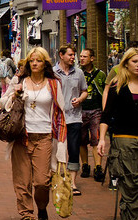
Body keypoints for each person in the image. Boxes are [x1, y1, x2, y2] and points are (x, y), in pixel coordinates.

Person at [0, 47, 68, 220]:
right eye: (32, 61)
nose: (35, 63)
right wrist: (15, 94)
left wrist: (61, 142)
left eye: (38, 60)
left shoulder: (54, 84)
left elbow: (61, 113)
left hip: (45, 136)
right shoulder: (19, 81)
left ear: (45, 63)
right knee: (22, 181)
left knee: (41, 182)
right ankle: (27, 219)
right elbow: (4, 103)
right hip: (23, 136)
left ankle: (41, 206)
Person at [97, 47, 138, 220]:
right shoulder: (118, 87)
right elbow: (106, 115)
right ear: (125, 63)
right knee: (131, 181)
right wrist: (102, 139)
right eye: (135, 61)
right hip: (124, 140)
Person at [54, 45, 88, 196]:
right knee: (58, 150)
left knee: (73, 149)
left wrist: (80, 99)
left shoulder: (78, 73)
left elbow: (85, 91)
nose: (73, 58)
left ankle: (72, 183)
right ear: (61, 55)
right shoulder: (53, 73)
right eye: (70, 55)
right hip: (58, 118)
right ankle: (58, 178)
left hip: (74, 117)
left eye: (74, 55)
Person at [78, 48, 106, 181]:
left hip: (96, 110)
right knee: (82, 139)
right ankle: (85, 165)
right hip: (80, 110)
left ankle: (98, 167)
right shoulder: (77, 73)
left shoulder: (100, 75)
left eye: (85, 56)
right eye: (81, 56)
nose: (82, 58)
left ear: (92, 58)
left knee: (96, 138)